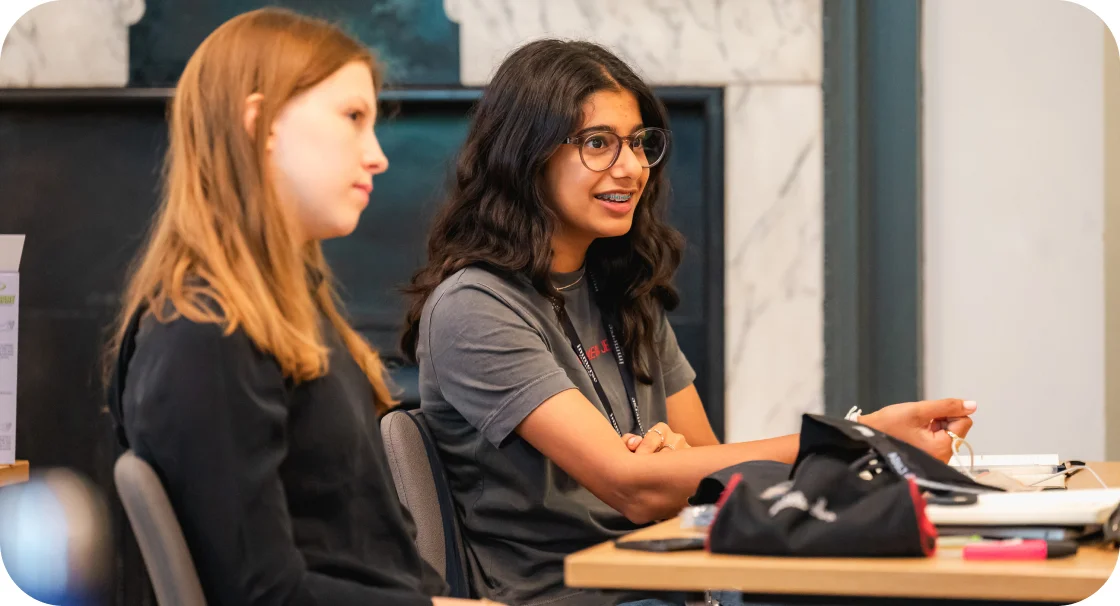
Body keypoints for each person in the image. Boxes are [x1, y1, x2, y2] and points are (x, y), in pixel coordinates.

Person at [401, 39, 976, 606]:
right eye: (598, 143)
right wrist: (857, 440)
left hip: (676, 581)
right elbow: (634, 488)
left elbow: (713, 478)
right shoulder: (475, 306)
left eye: (637, 143)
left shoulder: (622, 289)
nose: (629, 168)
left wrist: (677, 469)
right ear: (525, 156)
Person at [104, 9, 495, 606]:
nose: (377, 156)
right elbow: (260, 592)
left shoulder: (289, 315)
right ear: (259, 124)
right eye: (353, 118)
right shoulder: (207, 334)